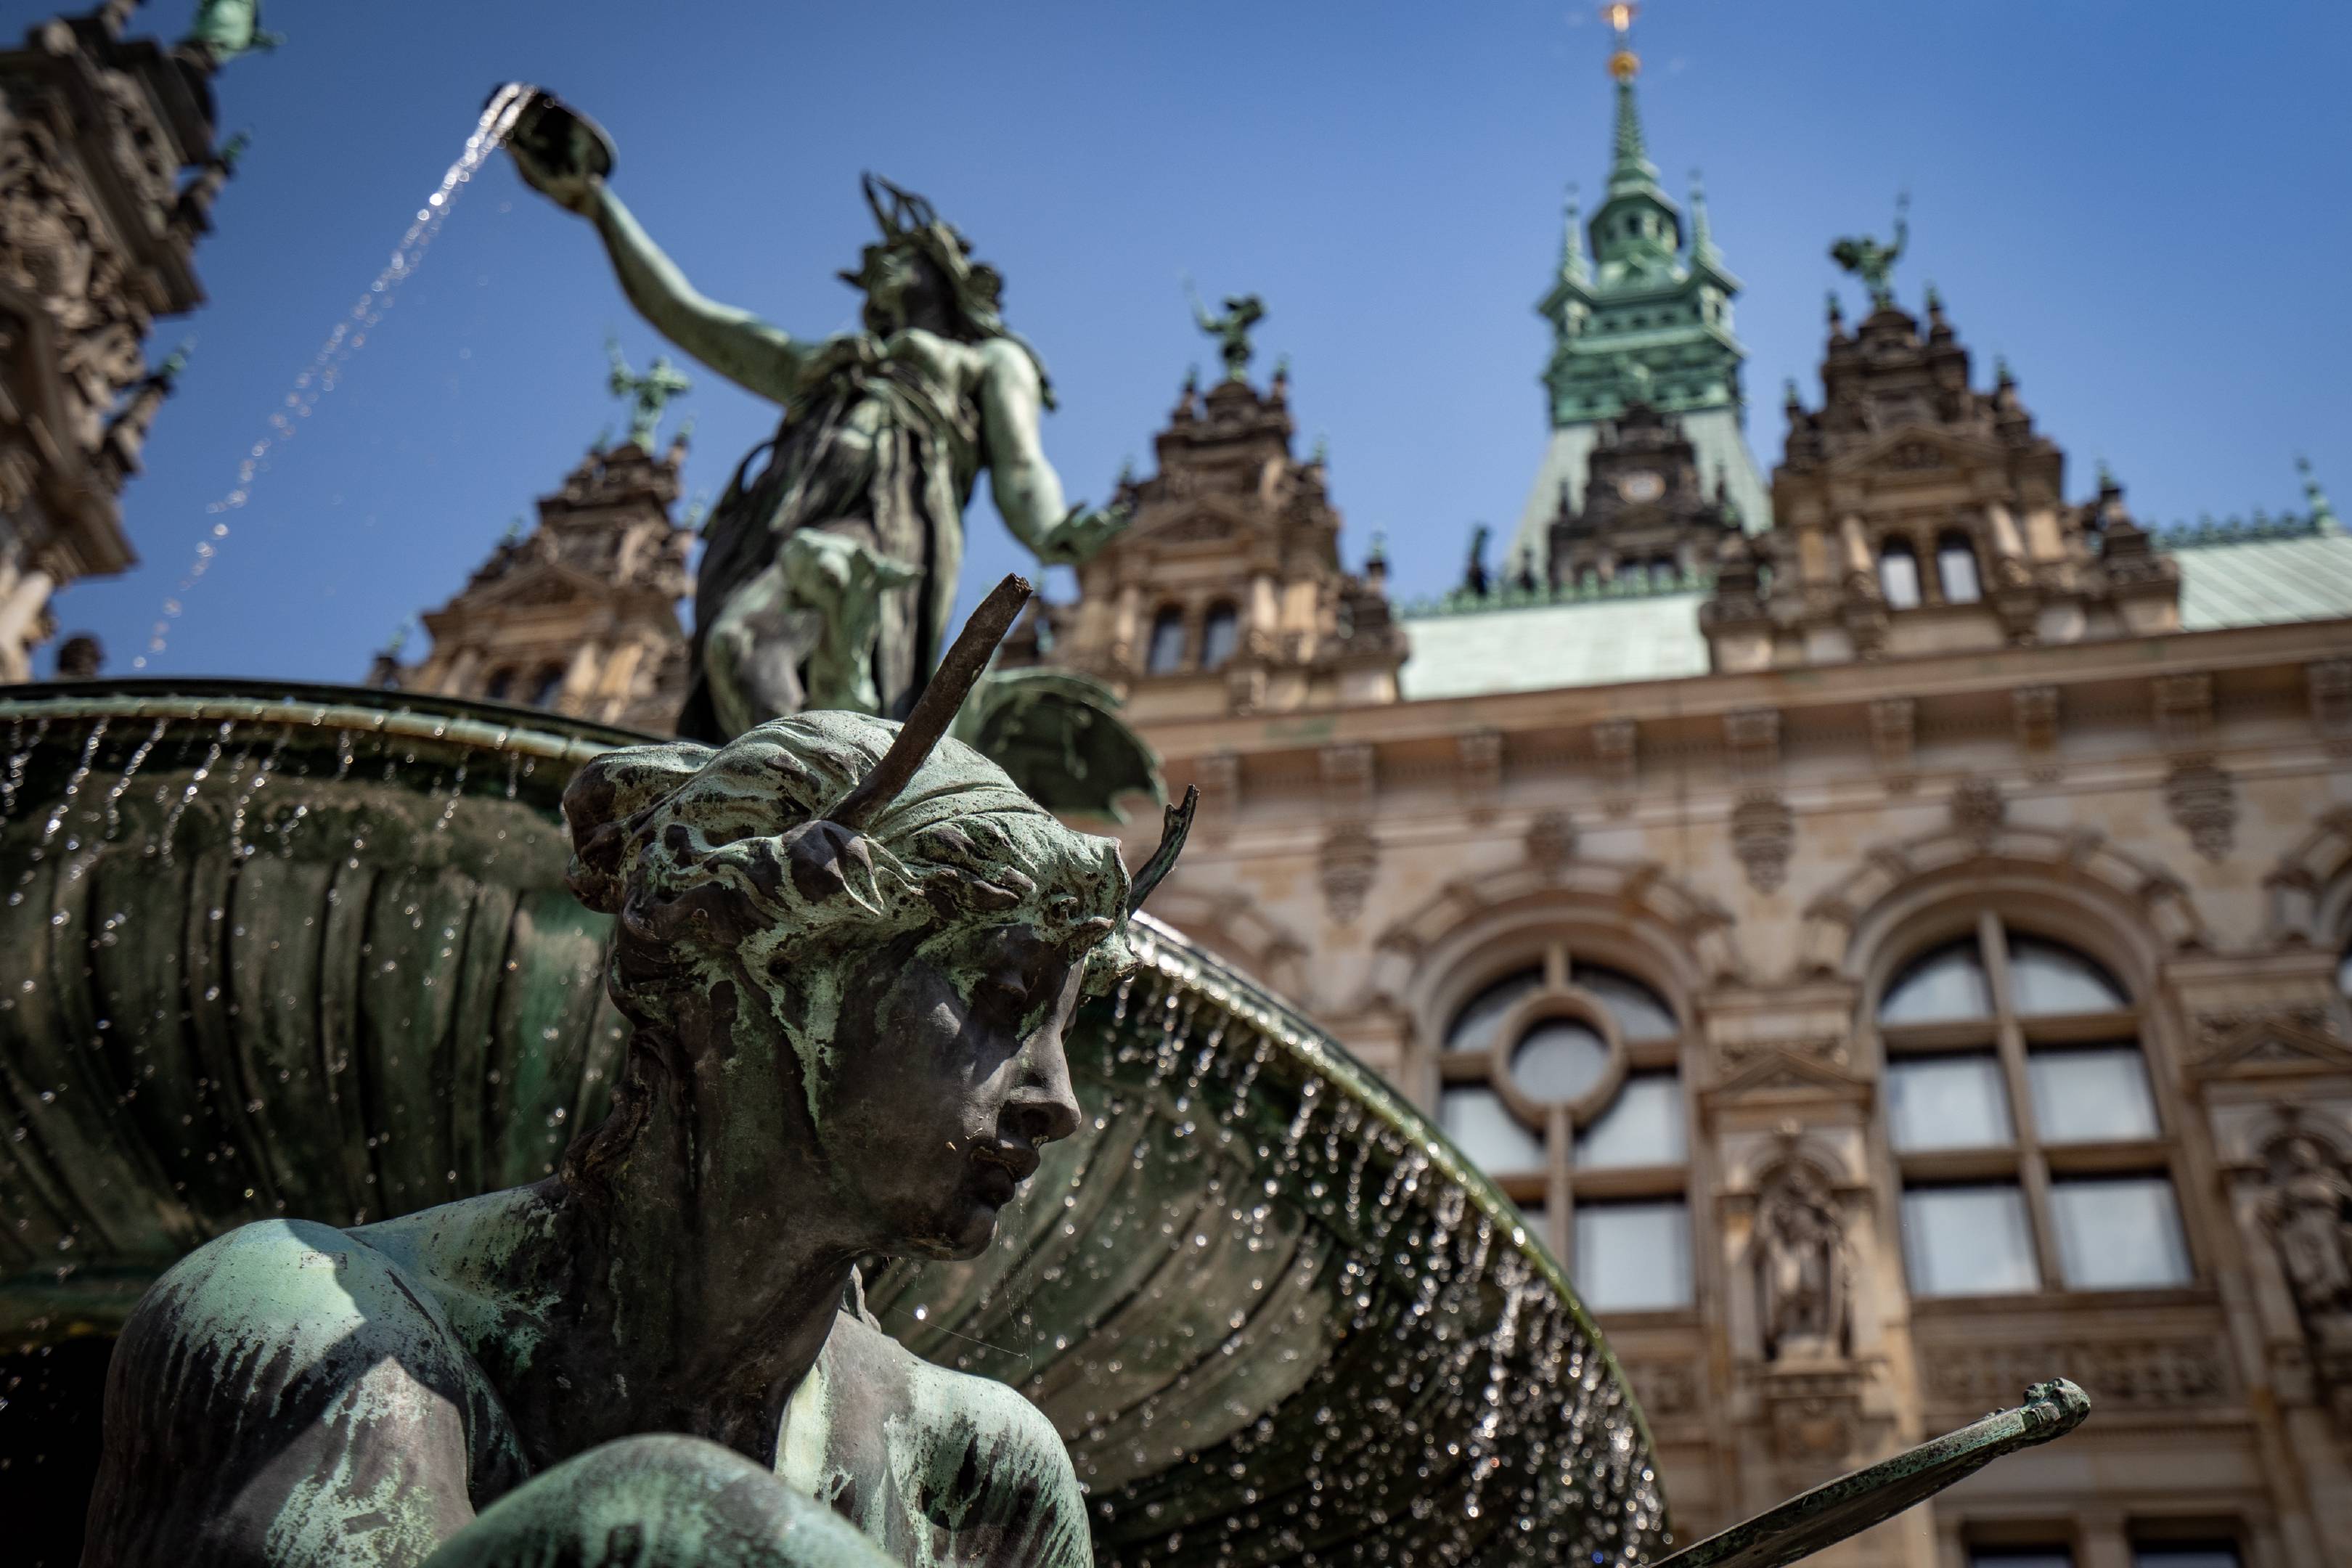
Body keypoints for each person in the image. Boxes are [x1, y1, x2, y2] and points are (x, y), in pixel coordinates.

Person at [81, 698, 1159, 1567]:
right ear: (776, 966)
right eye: (1001, 998)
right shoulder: (303, 1329)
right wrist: (661, 1516)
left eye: (1062, 1032)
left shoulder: (983, 1478)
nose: (1059, 1101)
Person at [503, 101, 1124, 741]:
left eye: (897, 256)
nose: (876, 266)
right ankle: (807, 783)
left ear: (939, 272)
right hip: (773, 519)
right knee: (732, 658)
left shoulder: (989, 359)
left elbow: (1021, 463)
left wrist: (1052, 529)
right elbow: (684, 312)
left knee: (754, 636)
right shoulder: (828, 362)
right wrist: (598, 206)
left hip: (889, 516)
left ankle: (818, 784)